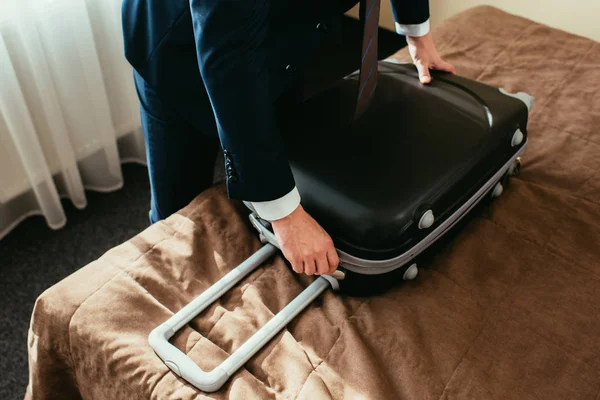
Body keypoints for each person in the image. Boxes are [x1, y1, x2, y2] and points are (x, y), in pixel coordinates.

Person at [121, 0, 454, 277]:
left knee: (279, 149)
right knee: (176, 219)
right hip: (174, 49)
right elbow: (230, 61)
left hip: (277, 35)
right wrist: (284, 214)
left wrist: (417, 34)